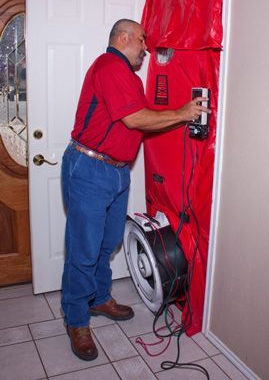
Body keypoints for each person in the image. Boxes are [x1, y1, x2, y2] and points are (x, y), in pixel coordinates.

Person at [61, 18, 210, 361]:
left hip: (115, 172)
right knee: (84, 250)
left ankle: (99, 298)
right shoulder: (110, 66)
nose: (146, 48)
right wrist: (184, 113)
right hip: (90, 168)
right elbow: (135, 119)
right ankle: (77, 319)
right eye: (142, 41)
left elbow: (137, 117)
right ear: (124, 38)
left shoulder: (127, 76)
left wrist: (174, 115)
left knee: (106, 243)